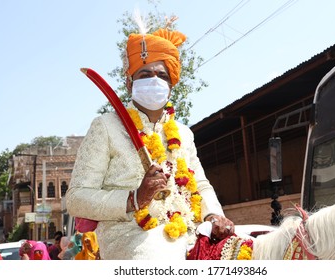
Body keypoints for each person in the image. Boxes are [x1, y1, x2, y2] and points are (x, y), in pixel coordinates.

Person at [66, 19, 234, 260]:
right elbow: (76, 198)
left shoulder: (183, 133)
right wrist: (134, 198)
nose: (154, 80)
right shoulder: (106, 127)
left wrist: (213, 215)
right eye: (144, 74)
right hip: (131, 239)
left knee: (243, 252)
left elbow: (200, 183)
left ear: (171, 85)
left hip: (187, 233)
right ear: (129, 82)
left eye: (161, 75)